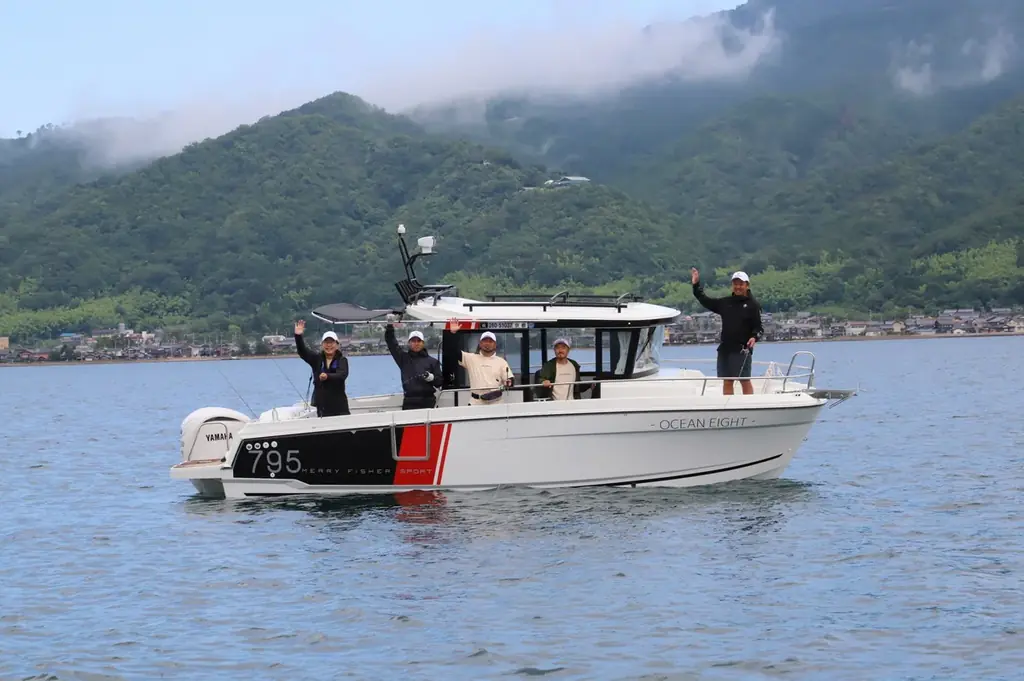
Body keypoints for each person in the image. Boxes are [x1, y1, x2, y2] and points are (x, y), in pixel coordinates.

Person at [691, 268, 763, 395]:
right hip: (725, 348)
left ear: (747, 285)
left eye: (741, 284)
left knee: (744, 380)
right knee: (727, 380)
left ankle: (749, 405)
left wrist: (754, 337)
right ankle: (729, 405)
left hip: (742, 349)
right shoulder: (725, 303)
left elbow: (758, 328)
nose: (738, 286)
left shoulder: (753, 305)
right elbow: (705, 300)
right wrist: (696, 285)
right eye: (735, 283)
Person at [447, 320, 514, 405]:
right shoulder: (470, 358)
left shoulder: (502, 362)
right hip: (475, 403)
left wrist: (508, 382)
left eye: (490, 341)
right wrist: (452, 334)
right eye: (485, 341)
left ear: (495, 344)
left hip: (497, 403)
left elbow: (510, 380)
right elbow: (452, 351)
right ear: (480, 343)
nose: (487, 344)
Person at [294, 319, 350, 416]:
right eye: (326, 342)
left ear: (337, 345)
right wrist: (298, 336)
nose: (329, 345)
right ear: (322, 345)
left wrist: (327, 376)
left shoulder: (342, 360)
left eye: (331, 342)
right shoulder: (316, 359)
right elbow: (303, 352)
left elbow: (342, 375)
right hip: (322, 408)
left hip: (340, 407)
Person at [384, 323, 443, 410]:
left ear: (423, 343)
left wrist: (432, 378)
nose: (416, 343)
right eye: (413, 341)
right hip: (409, 402)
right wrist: (389, 327)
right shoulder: (403, 359)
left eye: (418, 341)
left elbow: (440, 382)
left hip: (428, 401)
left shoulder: (433, 362)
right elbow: (392, 344)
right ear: (409, 343)